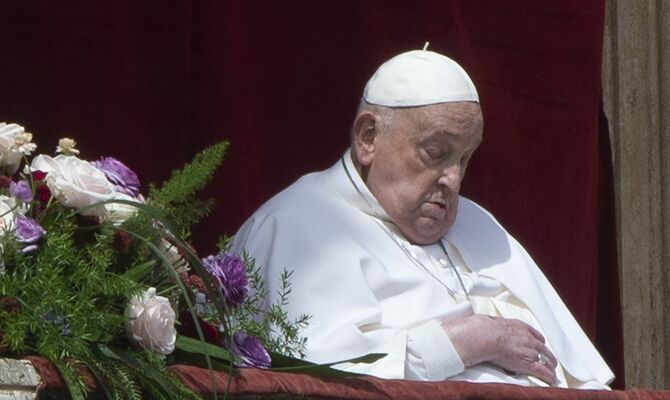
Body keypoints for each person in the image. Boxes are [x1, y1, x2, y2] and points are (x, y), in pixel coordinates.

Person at [230, 47, 614, 389]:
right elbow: (320, 378)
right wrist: (466, 342)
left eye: (464, 159)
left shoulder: (477, 222)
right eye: (436, 153)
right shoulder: (297, 224)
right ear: (368, 138)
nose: (454, 179)